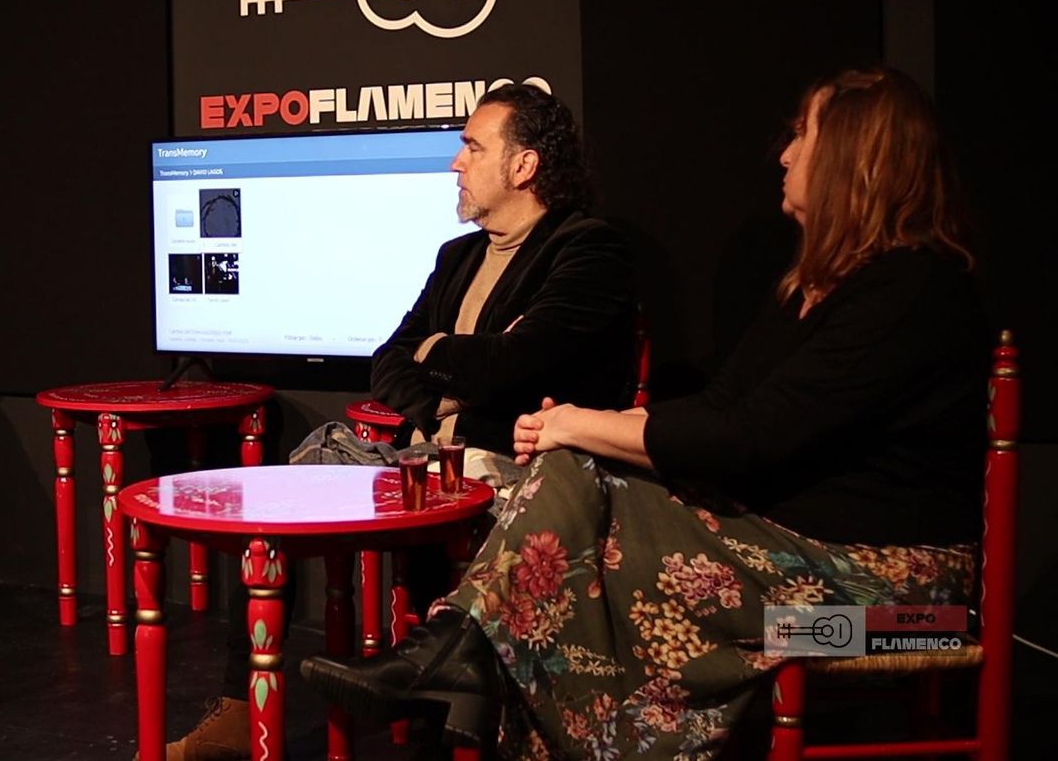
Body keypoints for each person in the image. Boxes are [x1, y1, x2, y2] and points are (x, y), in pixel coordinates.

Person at [300, 67, 985, 758]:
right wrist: (571, 430)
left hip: (888, 604)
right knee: (567, 489)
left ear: (854, 156)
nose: (783, 154)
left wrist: (571, 420)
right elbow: (720, 410)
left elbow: (748, 439)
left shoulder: (913, 289)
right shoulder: (808, 288)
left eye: (801, 136)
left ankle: (479, 662)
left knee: (576, 589)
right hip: (776, 552)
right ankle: (460, 649)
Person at [160, 82, 639, 760]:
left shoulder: (587, 251)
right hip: (425, 458)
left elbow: (511, 365)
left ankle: (430, 682)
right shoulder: (459, 256)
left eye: (473, 146)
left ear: (524, 166)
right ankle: (242, 709)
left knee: (452, 458)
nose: (455, 162)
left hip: (521, 472)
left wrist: (440, 355)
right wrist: (439, 391)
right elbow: (388, 359)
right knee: (299, 468)